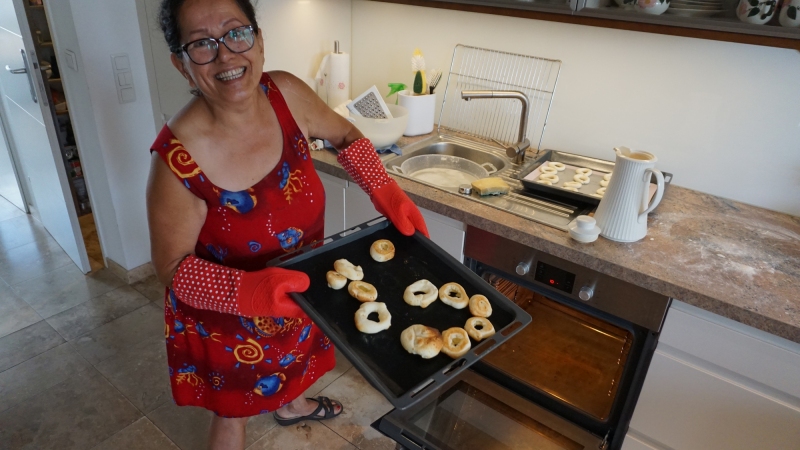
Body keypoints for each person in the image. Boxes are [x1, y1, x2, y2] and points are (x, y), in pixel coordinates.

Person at [146, 0, 429, 448]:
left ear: (259, 39)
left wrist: (384, 190)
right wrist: (253, 292)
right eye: (201, 44)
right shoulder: (176, 161)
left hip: (300, 288)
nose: (225, 55)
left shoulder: (288, 95)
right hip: (229, 322)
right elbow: (172, 269)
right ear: (181, 64)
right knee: (232, 415)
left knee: (293, 371)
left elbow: (345, 135)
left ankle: (291, 404)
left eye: (236, 33)